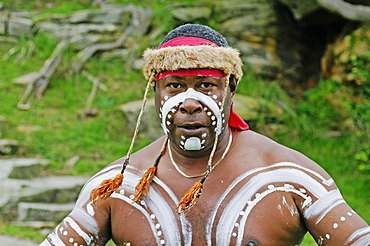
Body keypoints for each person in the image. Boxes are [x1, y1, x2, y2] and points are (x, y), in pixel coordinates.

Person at [40, 24, 369, 246]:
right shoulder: (119, 186)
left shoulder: (288, 176)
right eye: (175, 86)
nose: (189, 103)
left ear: (231, 90)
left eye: (206, 86)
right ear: (154, 93)